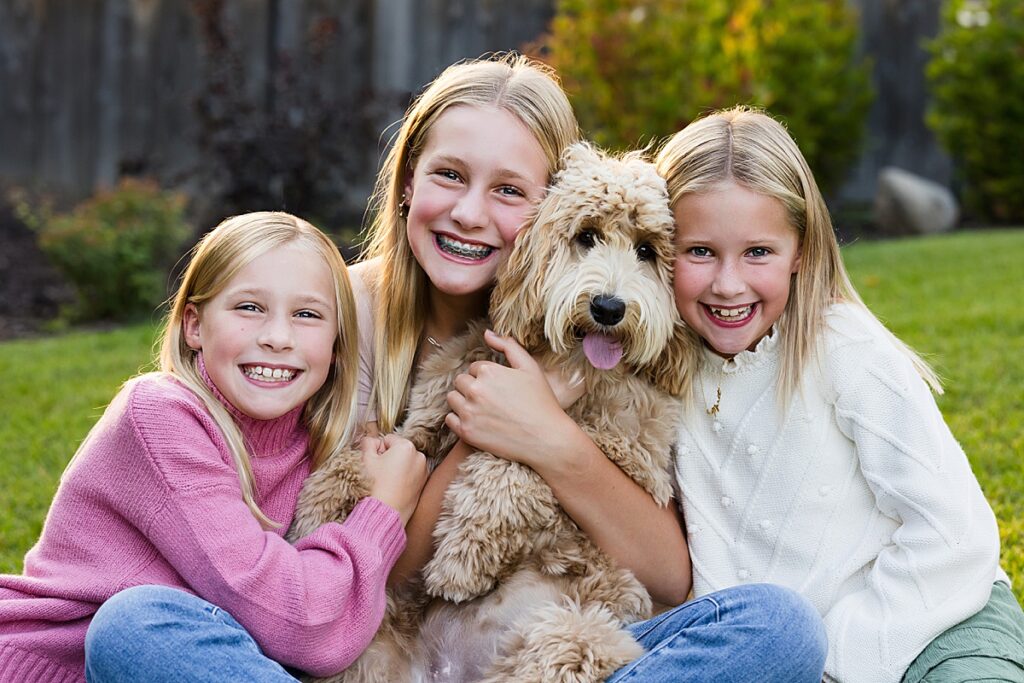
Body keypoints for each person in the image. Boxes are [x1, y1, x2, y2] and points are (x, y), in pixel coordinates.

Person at [356, 53, 828, 682]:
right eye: (449, 175)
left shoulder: (615, 356)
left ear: (549, 206)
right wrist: (485, 430)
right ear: (408, 180)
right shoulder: (339, 316)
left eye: (508, 190)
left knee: (780, 626)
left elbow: (667, 577)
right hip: (399, 641)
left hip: (555, 638)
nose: (470, 214)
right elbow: (376, 577)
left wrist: (550, 434)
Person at [647, 106, 1023, 682]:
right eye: (699, 251)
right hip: (783, 647)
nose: (728, 284)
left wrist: (840, 661)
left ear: (799, 250)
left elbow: (954, 534)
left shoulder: (843, 349)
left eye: (758, 252)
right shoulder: (660, 372)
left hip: (937, 611)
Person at [0, 212, 428, 683]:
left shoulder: (319, 448)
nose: (277, 337)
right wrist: (381, 513)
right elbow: (304, 630)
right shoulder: (161, 414)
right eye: (248, 308)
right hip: (60, 667)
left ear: (338, 345)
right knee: (134, 623)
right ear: (194, 326)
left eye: (307, 315)